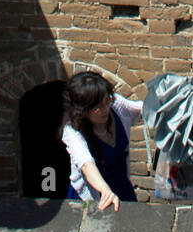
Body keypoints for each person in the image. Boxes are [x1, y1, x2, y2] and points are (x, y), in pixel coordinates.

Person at [60, 71, 143, 211]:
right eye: (96, 107)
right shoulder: (73, 132)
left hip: (121, 186)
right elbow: (86, 163)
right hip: (95, 192)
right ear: (83, 110)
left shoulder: (115, 105)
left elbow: (142, 109)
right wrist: (105, 190)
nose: (105, 109)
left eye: (106, 101)